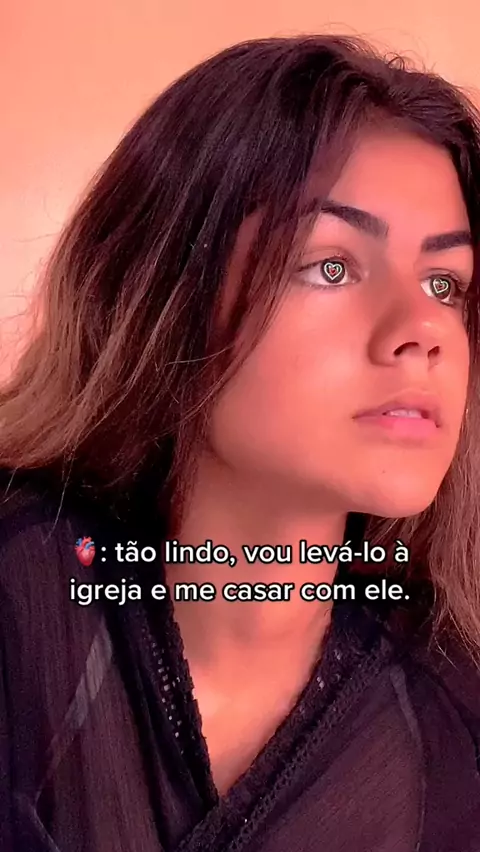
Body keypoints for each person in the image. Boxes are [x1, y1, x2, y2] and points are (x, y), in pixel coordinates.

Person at [1, 34, 480, 852]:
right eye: (332, 266)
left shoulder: (451, 725)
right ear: (161, 291)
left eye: (446, 284)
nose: (422, 331)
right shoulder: (21, 608)